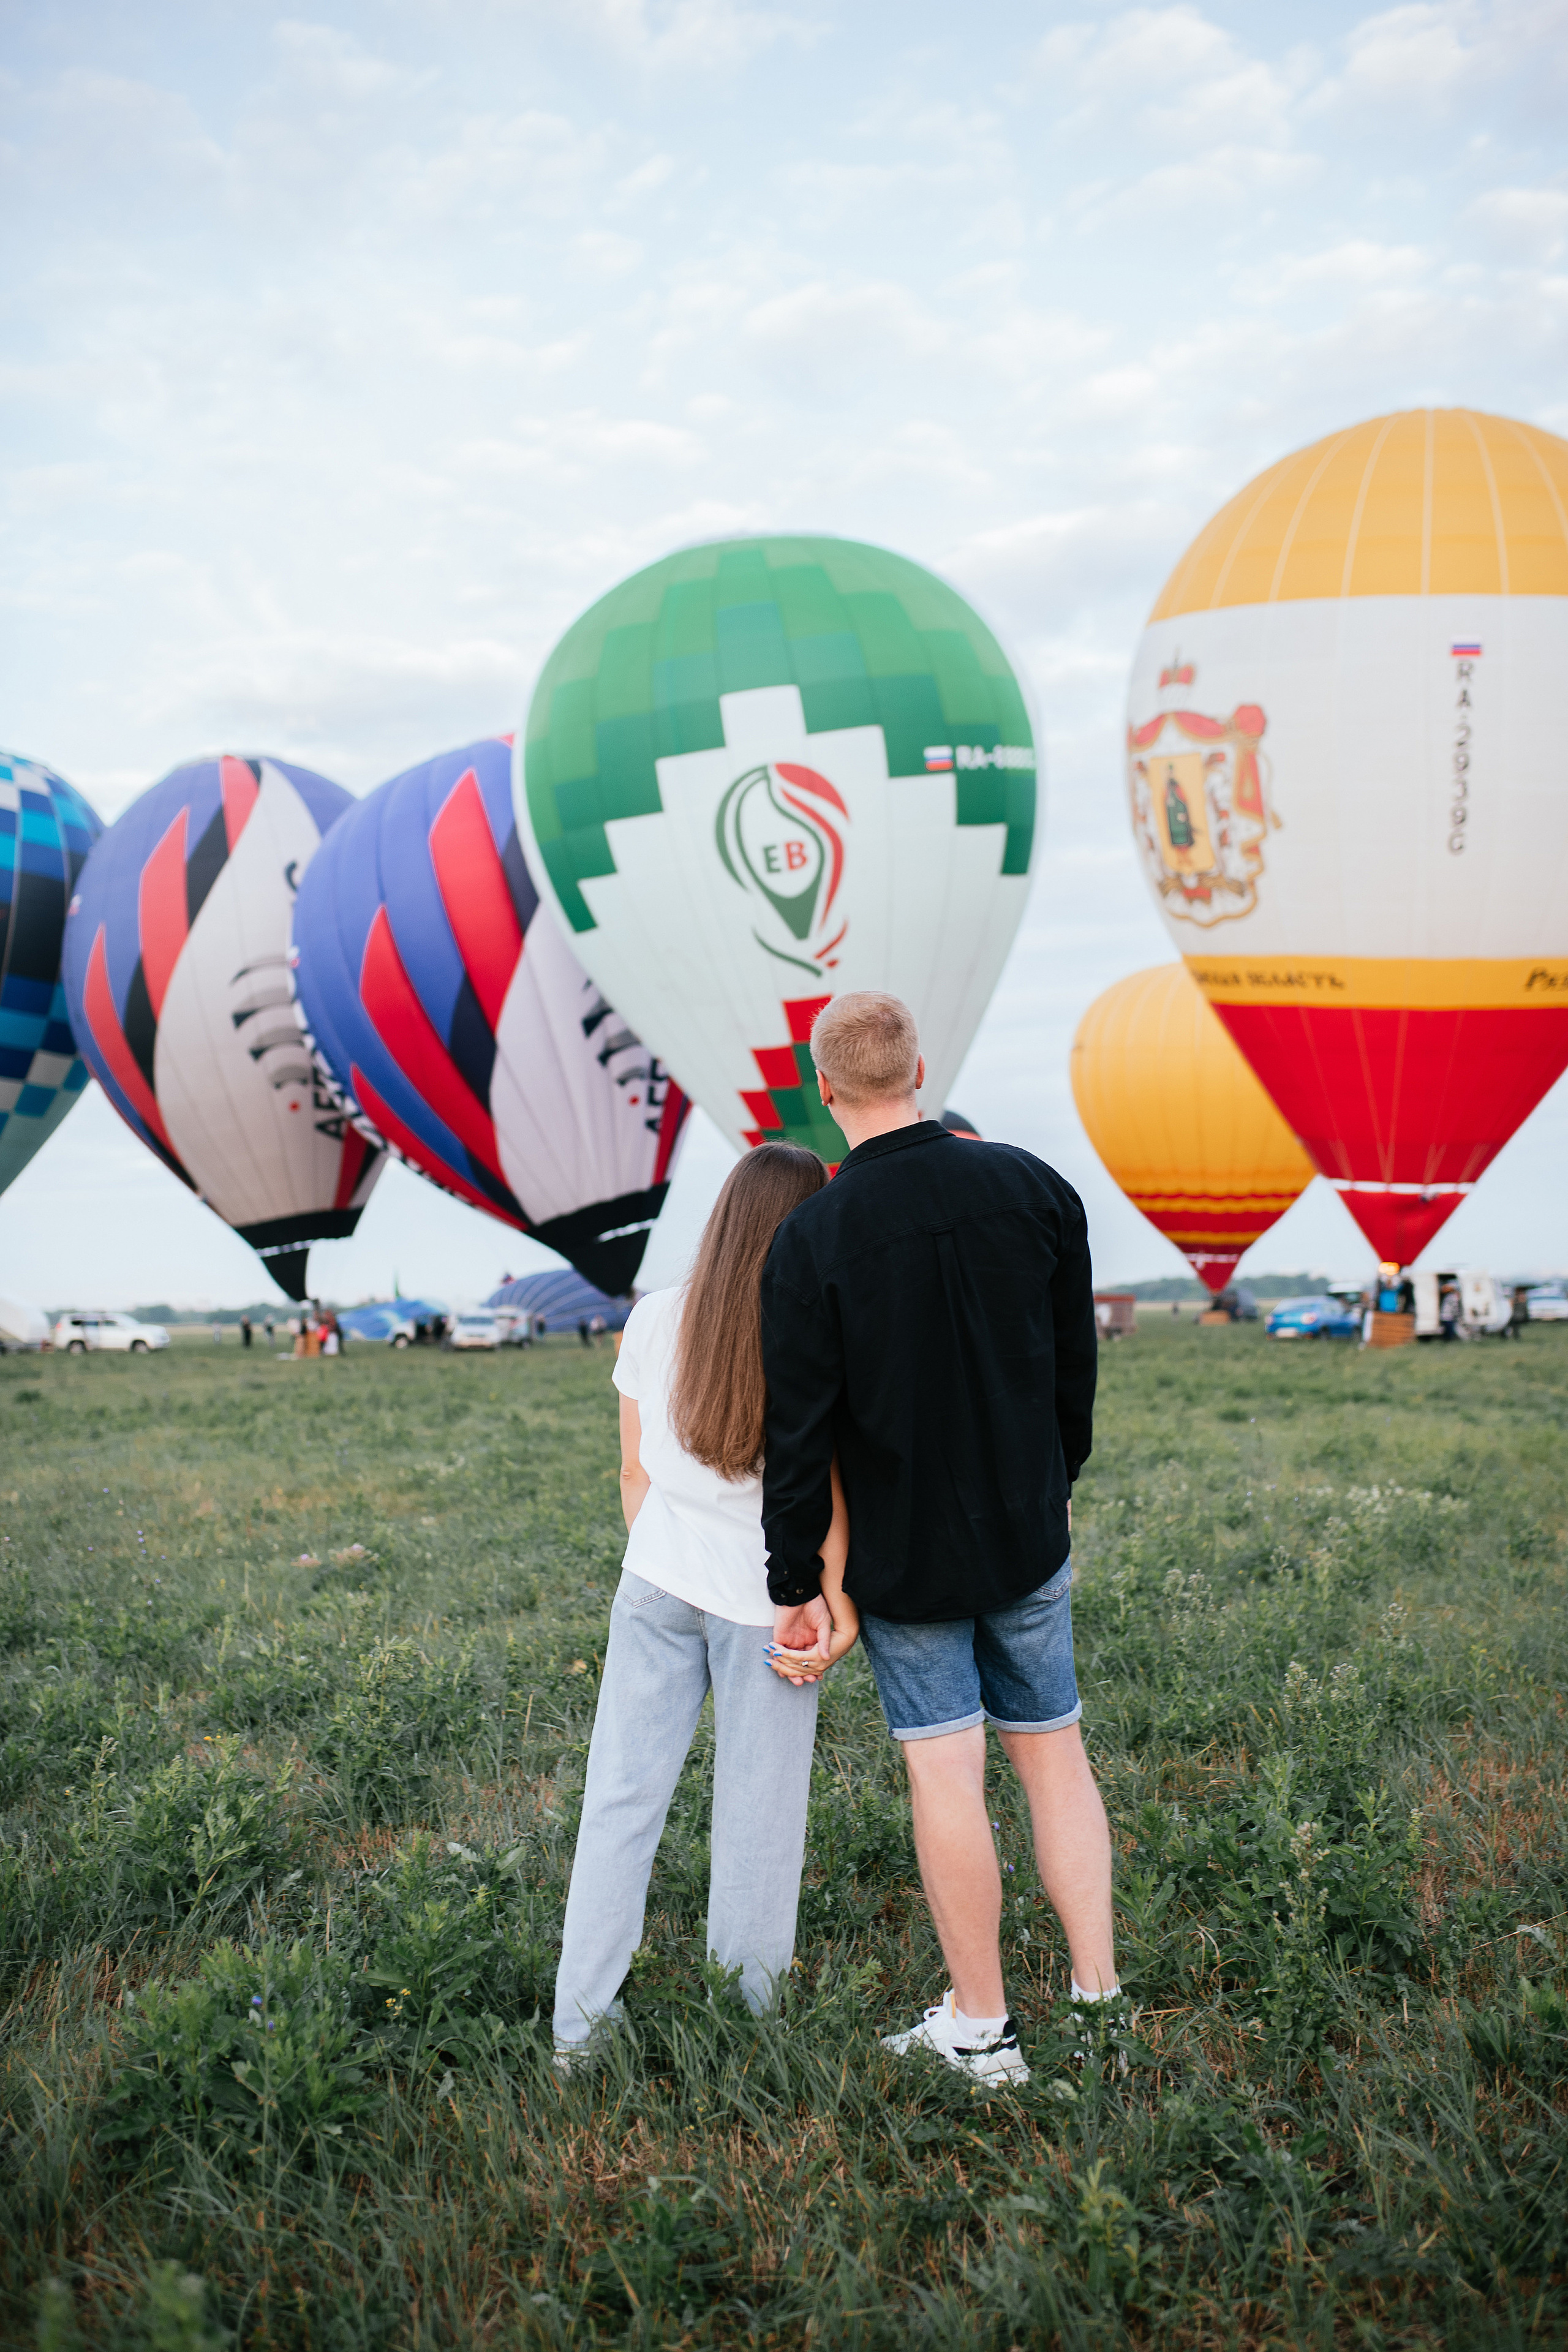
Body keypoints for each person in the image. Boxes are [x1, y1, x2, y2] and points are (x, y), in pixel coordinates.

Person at [761, 992, 1118, 2089]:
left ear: (825, 1091)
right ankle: (1099, 2002)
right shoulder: (1034, 1187)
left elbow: (798, 1435)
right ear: (921, 1068)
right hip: (1025, 1533)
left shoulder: (810, 1238)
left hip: (905, 1557)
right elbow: (1072, 1370)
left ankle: (985, 2029)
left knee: (947, 1778)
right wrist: (1055, 1481)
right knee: (1055, 1756)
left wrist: (795, 1578)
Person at [552, 1143, 858, 2068]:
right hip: (771, 1602)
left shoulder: (653, 1316)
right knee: (761, 1817)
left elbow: (632, 1470)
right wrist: (831, 1599)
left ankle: (579, 2033)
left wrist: (661, 1557)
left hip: (656, 1583)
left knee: (619, 1802)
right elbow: (828, 1490)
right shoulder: (819, 1325)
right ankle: (747, 2029)